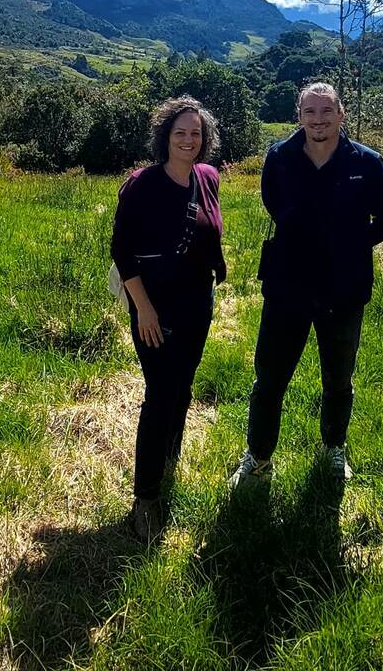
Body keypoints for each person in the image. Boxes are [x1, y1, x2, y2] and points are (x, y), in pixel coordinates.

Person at [230, 81, 383, 487]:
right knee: (269, 380)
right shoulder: (280, 158)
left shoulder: (368, 163)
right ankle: (258, 458)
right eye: (310, 112)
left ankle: (332, 450)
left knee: (338, 380)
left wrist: (349, 245)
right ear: (299, 116)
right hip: (288, 285)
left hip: (344, 288)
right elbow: (274, 204)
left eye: (327, 112)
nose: (319, 120)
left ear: (341, 114)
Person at [111, 96, 226, 540]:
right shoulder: (143, 183)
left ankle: (170, 457)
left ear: (205, 138)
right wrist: (144, 309)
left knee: (183, 387)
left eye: (195, 133)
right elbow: (122, 251)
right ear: (165, 136)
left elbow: (209, 232)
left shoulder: (209, 178)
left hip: (197, 301)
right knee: (160, 395)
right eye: (180, 132)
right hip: (153, 305)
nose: (188, 140)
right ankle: (146, 496)